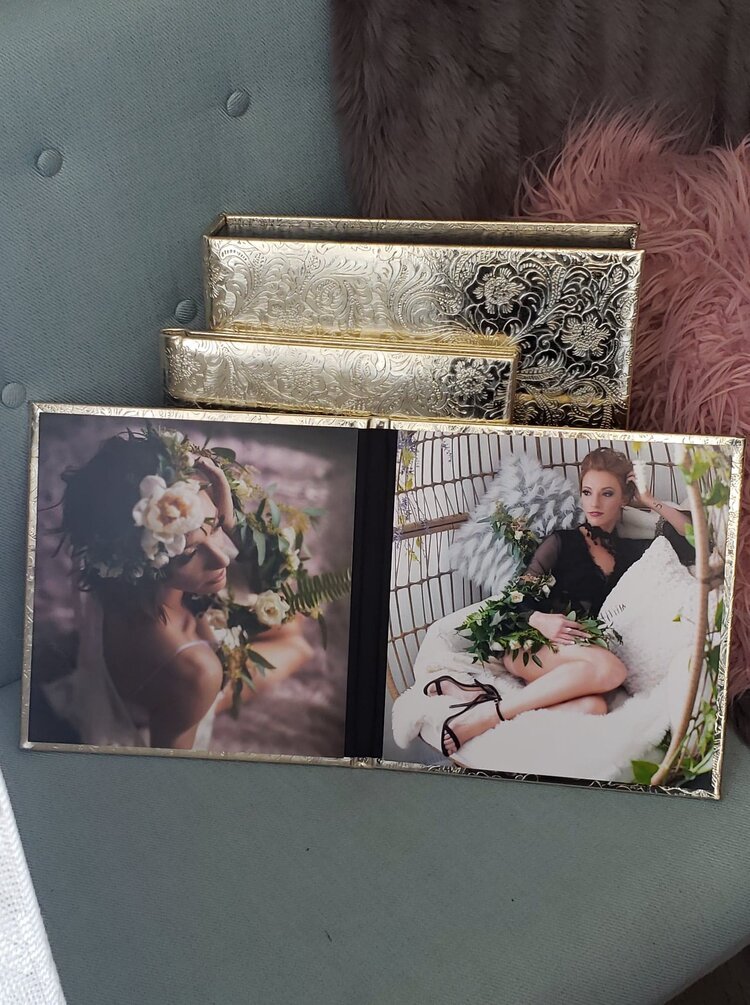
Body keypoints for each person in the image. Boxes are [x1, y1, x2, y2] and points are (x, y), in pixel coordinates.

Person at [48, 427, 312, 751]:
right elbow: (169, 766)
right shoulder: (196, 671)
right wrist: (202, 696)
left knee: (291, 613)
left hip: (143, 664)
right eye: (188, 553)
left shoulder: (102, 564)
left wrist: (228, 521)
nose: (221, 558)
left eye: (215, 526)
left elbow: (275, 584)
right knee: (297, 642)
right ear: (140, 563)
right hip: (179, 693)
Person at [425, 447, 694, 757]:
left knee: (593, 707)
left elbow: (696, 541)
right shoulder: (561, 541)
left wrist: (648, 501)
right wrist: (540, 620)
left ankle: (487, 703)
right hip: (531, 642)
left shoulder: (634, 552)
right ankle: (486, 716)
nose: (594, 503)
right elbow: (515, 599)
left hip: (580, 654)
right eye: (587, 492)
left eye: (607, 493)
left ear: (624, 498)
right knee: (612, 670)